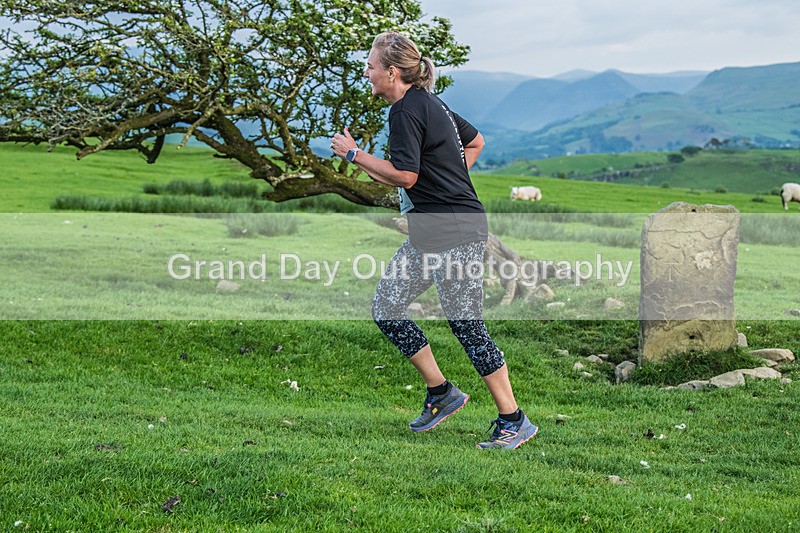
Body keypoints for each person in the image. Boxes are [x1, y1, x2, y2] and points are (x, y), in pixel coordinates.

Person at [330, 31, 537, 449]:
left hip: (457, 235)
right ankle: (442, 392)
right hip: (429, 236)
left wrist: (353, 154)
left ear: (391, 72)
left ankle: (514, 419)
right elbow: (474, 142)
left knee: (467, 326)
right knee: (386, 306)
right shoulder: (430, 102)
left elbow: (405, 175)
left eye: (371, 67)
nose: (366, 73)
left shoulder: (407, 111)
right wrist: (447, 184)